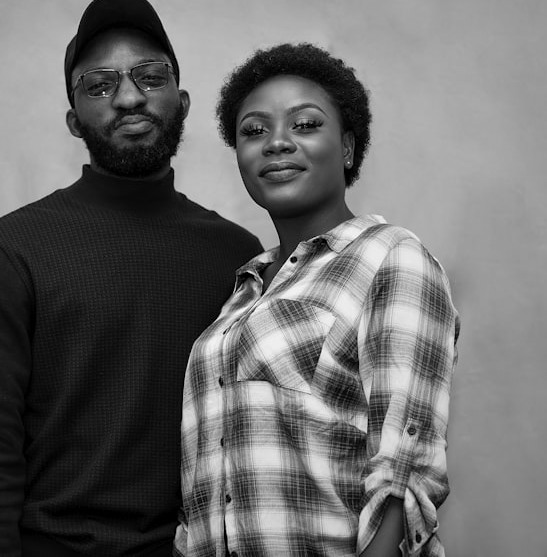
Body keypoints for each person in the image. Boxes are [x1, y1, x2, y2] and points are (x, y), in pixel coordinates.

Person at [0, 0, 263, 557]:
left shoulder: (237, 258)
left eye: (149, 76)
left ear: (182, 101)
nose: (127, 98)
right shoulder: (11, 250)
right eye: (99, 84)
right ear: (73, 121)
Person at [175, 43, 460, 556]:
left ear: (348, 147)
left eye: (305, 125)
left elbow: (402, 471)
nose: (277, 143)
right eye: (254, 131)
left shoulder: (390, 257)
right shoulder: (242, 292)